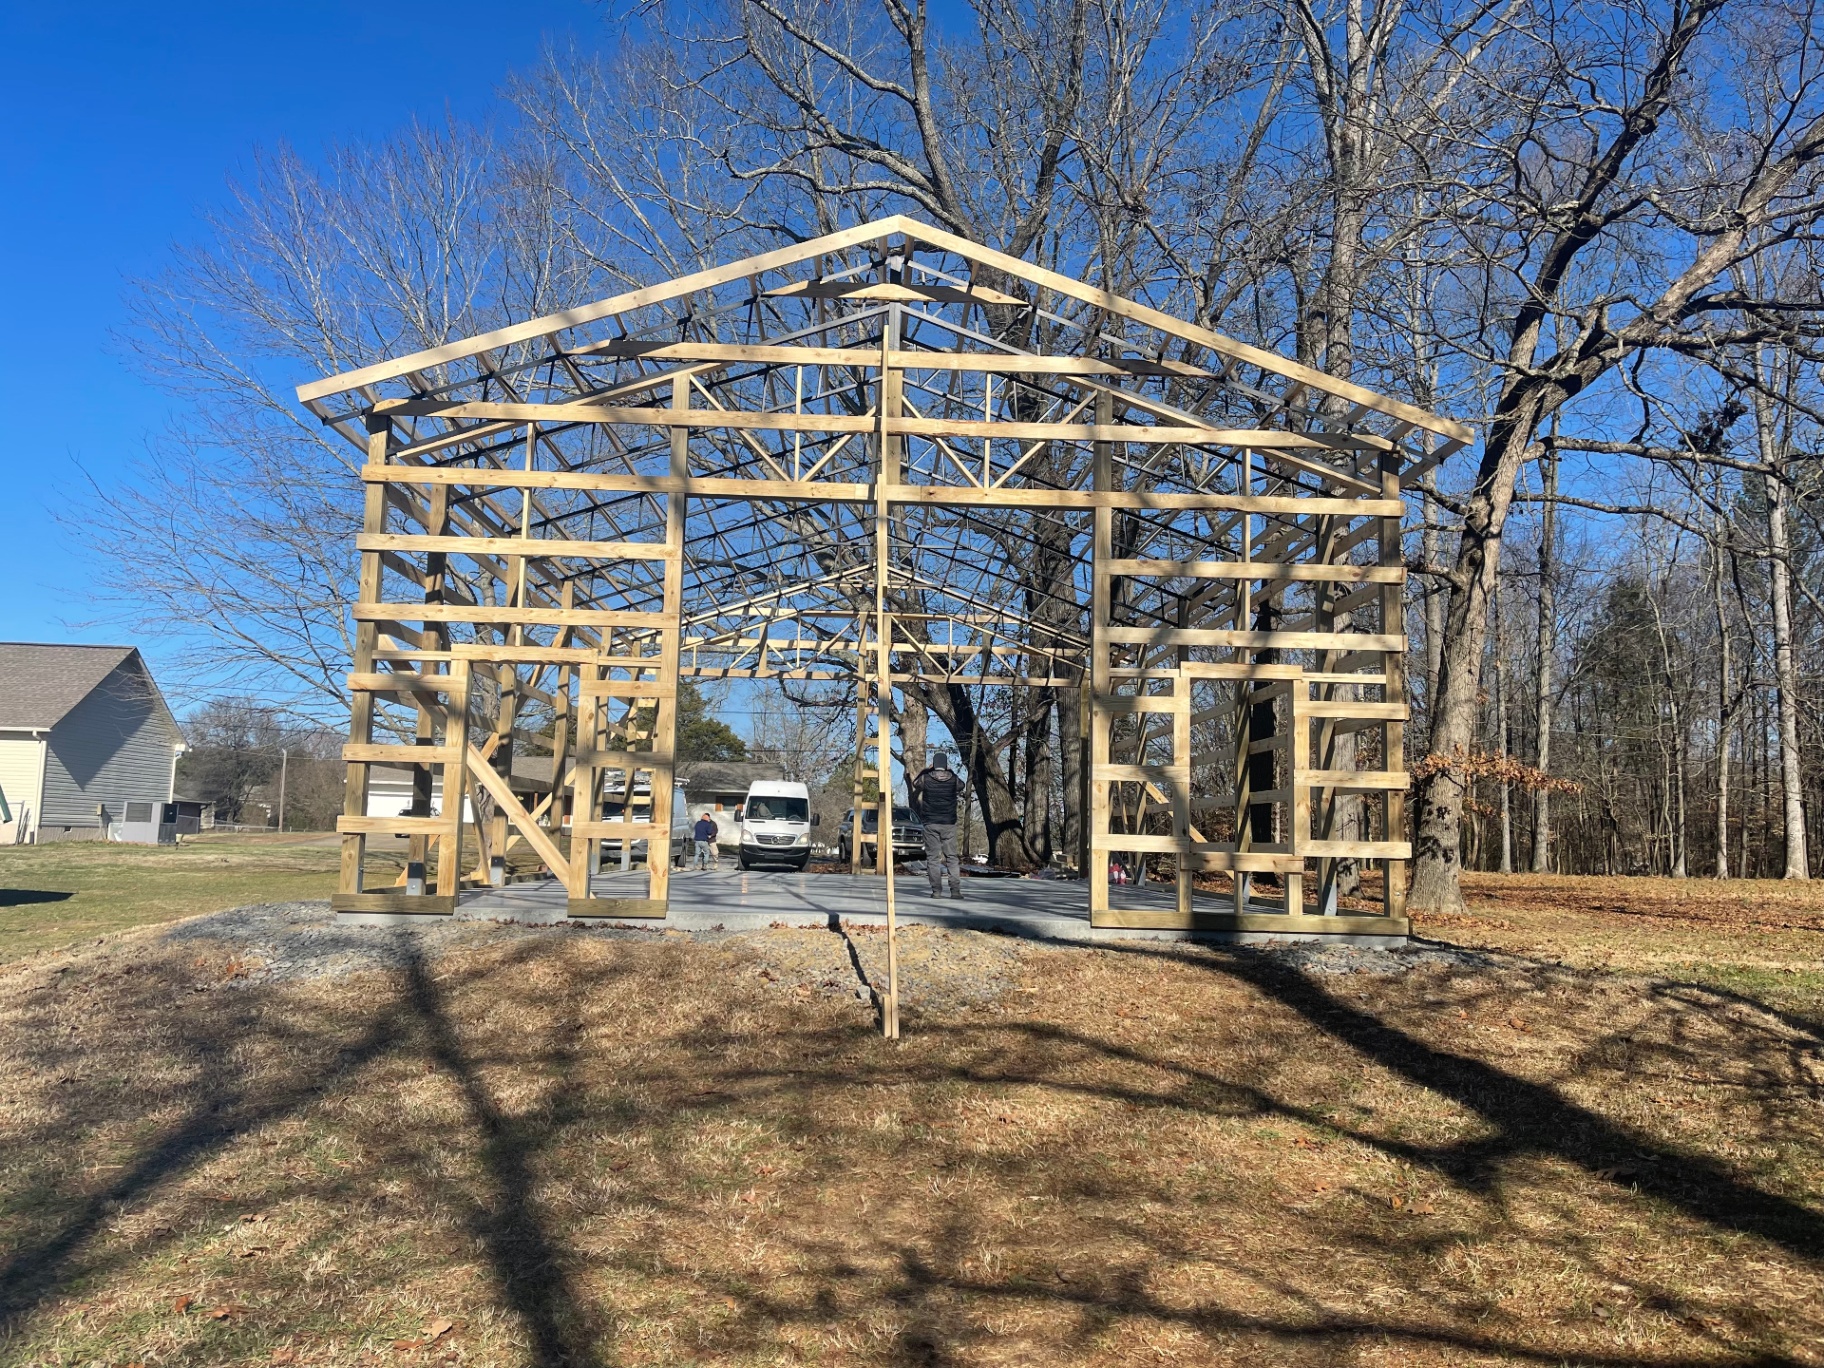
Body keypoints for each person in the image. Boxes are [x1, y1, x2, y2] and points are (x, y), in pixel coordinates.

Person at [909, 751, 965, 900]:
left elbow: (915, 783)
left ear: (933, 765)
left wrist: (927, 770)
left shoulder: (926, 778)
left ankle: (937, 891)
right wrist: (950, 771)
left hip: (930, 823)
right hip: (949, 824)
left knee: (933, 858)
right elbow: (962, 785)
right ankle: (955, 891)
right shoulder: (954, 779)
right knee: (952, 857)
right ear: (945, 765)